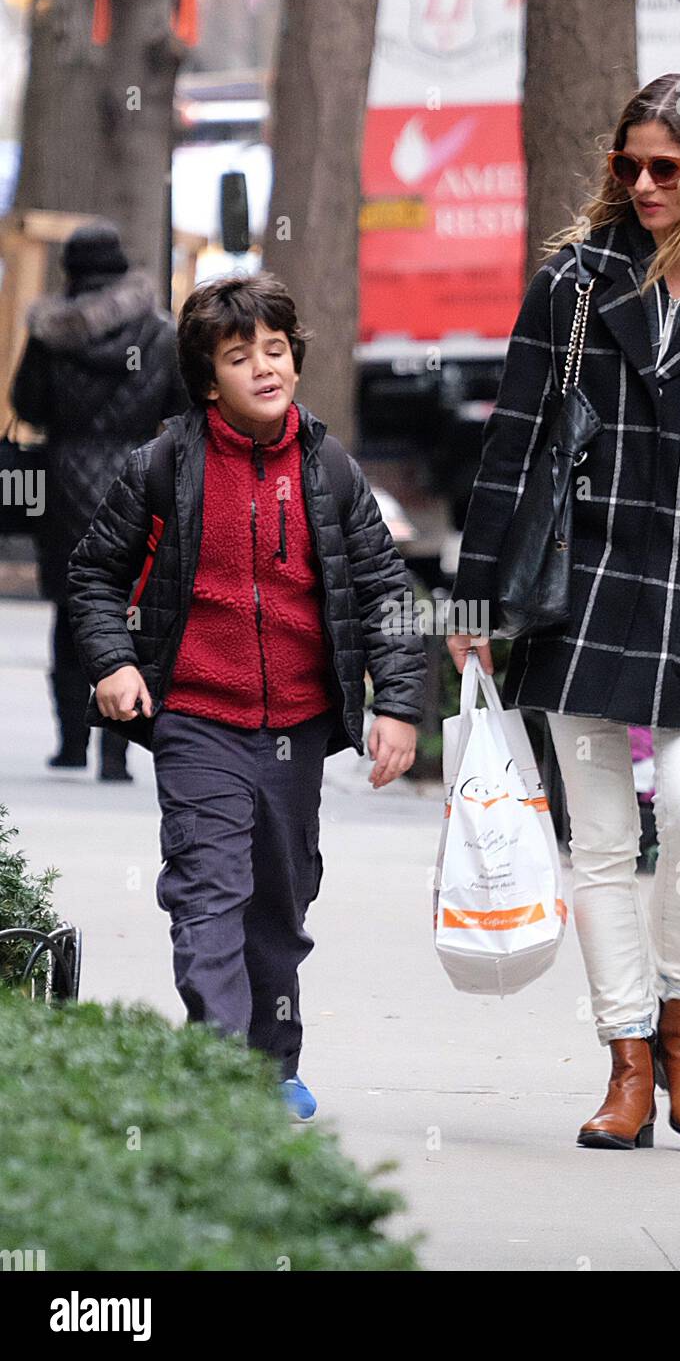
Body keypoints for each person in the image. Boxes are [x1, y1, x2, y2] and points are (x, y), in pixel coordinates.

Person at [446, 73, 680, 1150]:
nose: (644, 184)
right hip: (584, 590)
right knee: (601, 838)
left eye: (665, 166)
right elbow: (510, 445)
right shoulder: (570, 284)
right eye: (628, 166)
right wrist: (475, 595)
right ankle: (625, 1057)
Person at [67, 272, 426, 1120]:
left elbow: (384, 591)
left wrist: (401, 706)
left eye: (274, 350)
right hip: (195, 718)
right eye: (240, 356)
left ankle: (274, 1066)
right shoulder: (163, 464)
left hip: (295, 731)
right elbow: (92, 574)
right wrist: (114, 663)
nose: (264, 367)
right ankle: (221, 1071)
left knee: (279, 901)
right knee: (206, 891)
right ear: (206, 379)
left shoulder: (329, 470)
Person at [10, 220, 189, 781]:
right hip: (141, 477)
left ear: (72, 271)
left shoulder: (49, 331)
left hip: (63, 480)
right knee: (131, 608)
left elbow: (27, 404)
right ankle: (117, 754)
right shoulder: (160, 333)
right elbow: (181, 404)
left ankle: (69, 743)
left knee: (72, 608)